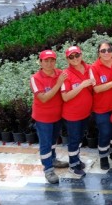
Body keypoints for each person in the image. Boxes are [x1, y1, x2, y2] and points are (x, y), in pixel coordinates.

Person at [30, 49, 69, 183]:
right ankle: (48, 169)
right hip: (43, 118)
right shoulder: (35, 78)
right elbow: (44, 98)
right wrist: (58, 83)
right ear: (40, 62)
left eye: (52, 60)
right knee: (45, 144)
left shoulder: (60, 73)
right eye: (46, 60)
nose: (49, 63)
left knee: (53, 141)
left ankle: (53, 160)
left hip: (57, 115)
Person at [89, 41, 112, 170]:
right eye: (103, 50)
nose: (106, 53)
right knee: (105, 132)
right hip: (101, 108)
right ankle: (103, 156)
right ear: (98, 52)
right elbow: (97, 89)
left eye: (109, 49)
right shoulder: (94, 68)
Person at [60, 45, 94, 178]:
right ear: (67, 59)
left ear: (81, 55)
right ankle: (73, 165)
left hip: (85, 113)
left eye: (77, 55)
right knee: (74, 140)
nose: (75, 59)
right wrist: (82, 85)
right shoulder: (66, 74)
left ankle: (77, 159)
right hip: (72, 115)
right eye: (71, 57)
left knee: (79, 138)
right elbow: (66, 96)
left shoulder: (89, 68)